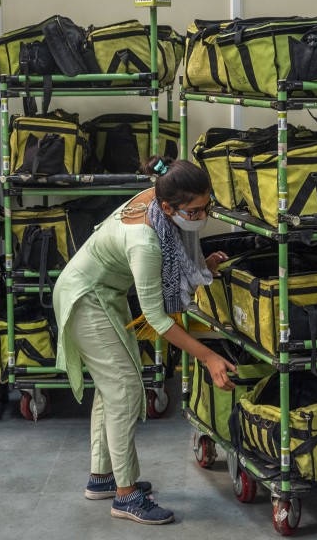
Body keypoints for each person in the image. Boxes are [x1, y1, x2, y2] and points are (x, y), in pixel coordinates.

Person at [52, 156, 236, 525]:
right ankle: (125, 496)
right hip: (85, 298)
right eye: (196, 210)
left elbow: (176, 254)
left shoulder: (156, 199)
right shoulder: (145, 242)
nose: (203, 216)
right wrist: (208, 358)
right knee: (124, 390)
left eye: (207, 205)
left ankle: (102, 477)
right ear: (168, 207)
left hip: (101, 294)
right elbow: (157, 319)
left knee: (111, 389)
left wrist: (203, 268)